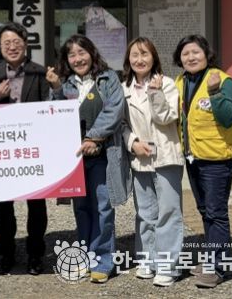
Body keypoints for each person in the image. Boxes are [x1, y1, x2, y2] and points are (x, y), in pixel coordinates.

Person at [46, 34, 129, 284]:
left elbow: (114, 110)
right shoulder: (66, 83)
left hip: (104, 154)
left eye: (82, 52)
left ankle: (103, 260)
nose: (78, 59)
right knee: (81, 209)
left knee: (103, 207)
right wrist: (56, 89)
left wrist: (94, 138)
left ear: (92, 53)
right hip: (75, 158)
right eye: (72, 55)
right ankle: (84, 257)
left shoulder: (108, 78)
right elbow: (54, 114)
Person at [0, 21, 50, 275]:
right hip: (3, 151)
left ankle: (35, 254)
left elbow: (49, 107)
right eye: (6, 43)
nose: (12, 47)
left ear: (26, 44)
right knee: (3, 205)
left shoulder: (40, 73)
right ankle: (6, 253)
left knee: (37, 204)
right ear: (0, 47)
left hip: (32, 148)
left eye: (16, 42)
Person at [172, 34, 232, 289]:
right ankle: (212, 258)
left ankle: (218, 267)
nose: (191, 57)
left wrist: (214, 93)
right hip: (193, 158)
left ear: (207, 54)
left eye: (195, 52)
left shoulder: (223, 80)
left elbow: (229, 117)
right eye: (185, 53)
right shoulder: (180, 82)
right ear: (179, 58)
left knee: (216, 213)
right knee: (205, 211)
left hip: (217, 159)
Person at [121, 37, 183, 287]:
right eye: (134, 55)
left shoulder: (166, 84)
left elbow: (167, 118)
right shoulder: (123, 88)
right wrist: (132, 143)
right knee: (145, 213)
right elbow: (121, 124)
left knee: (168, 212)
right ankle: (148, 260)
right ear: (128, 60)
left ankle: (168, 266)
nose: (140, 59)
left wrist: (155, 93)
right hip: (140, 158)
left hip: (166, 157)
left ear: (154, 57)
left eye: (144, 54)